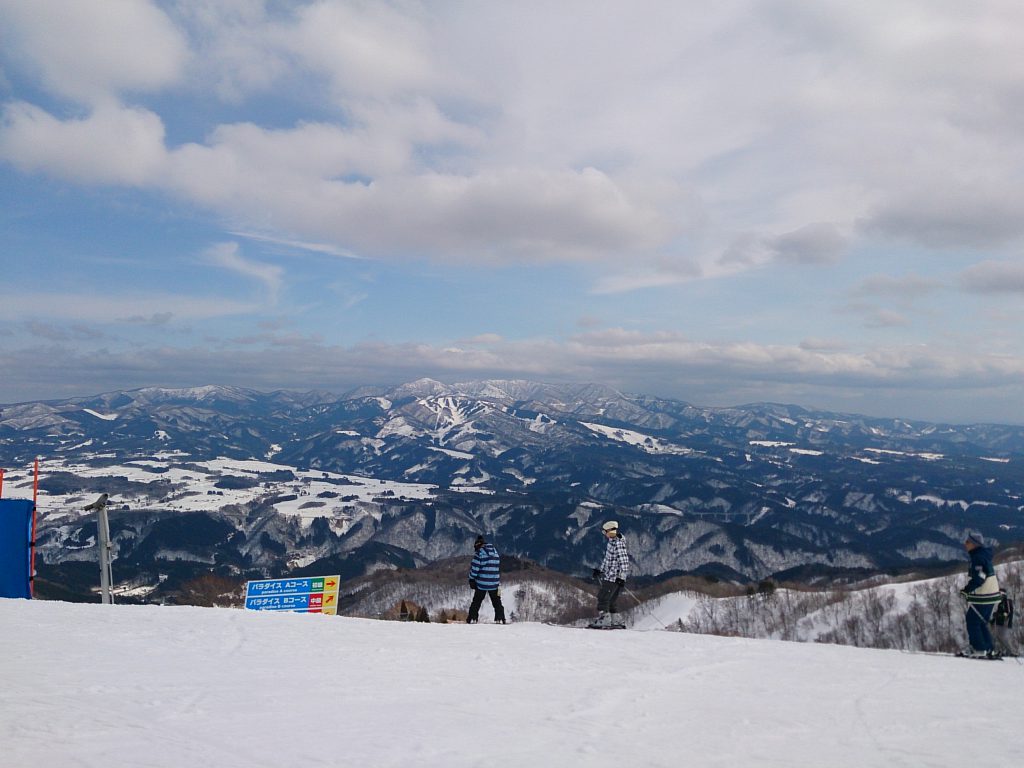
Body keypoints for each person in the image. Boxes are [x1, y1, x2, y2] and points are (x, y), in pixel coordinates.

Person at [960, 533, 1002, 658]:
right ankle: (988, 649)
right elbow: (983, 575)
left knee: (972, 620)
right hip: (991, 593)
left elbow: (979, 577)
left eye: (967, 542)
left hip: (985, 595)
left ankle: (978, 649)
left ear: (974, 544)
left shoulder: (977, 557)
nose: (965, 544)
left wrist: (967, 589)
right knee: (981, 622)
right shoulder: (983, 555)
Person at [590, 520, 630, 628]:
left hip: (613, 578)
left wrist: (621, 577)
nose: (604, 534)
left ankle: (605, 620)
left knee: (603, 597)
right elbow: (608, 560)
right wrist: (600, 570)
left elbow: (624, 561)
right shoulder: (611, 542)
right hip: (610, 576)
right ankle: (615, 620)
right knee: (611, 599)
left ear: (611, 531)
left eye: (605, 532)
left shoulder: (618, 543)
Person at [467, 535, 506, 624]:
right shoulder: (495, 552)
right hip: (494, 583)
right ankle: (500, 618)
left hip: (482, 583)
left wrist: (471, 579)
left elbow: (475, 569)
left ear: (477, 545)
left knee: (477, 601)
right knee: (497, 601)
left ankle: (473, 618)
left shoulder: (479, 554)